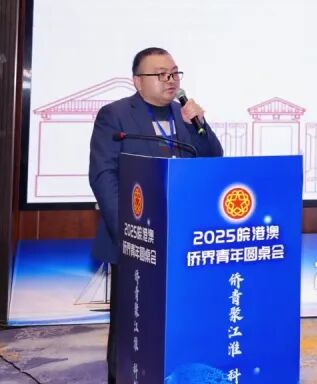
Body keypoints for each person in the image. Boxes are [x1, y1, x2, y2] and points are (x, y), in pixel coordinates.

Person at [88, 47, 224, 384]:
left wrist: (201, 126)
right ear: (138, 81)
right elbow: (104, 175)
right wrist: (127, 233)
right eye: (161, 74)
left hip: (184, 238)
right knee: (131, 323)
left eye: (174, 72)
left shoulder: (184, 114)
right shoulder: (115, 115)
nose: (170, 79)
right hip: (136, 238)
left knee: (180, 319)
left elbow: (213, 160)